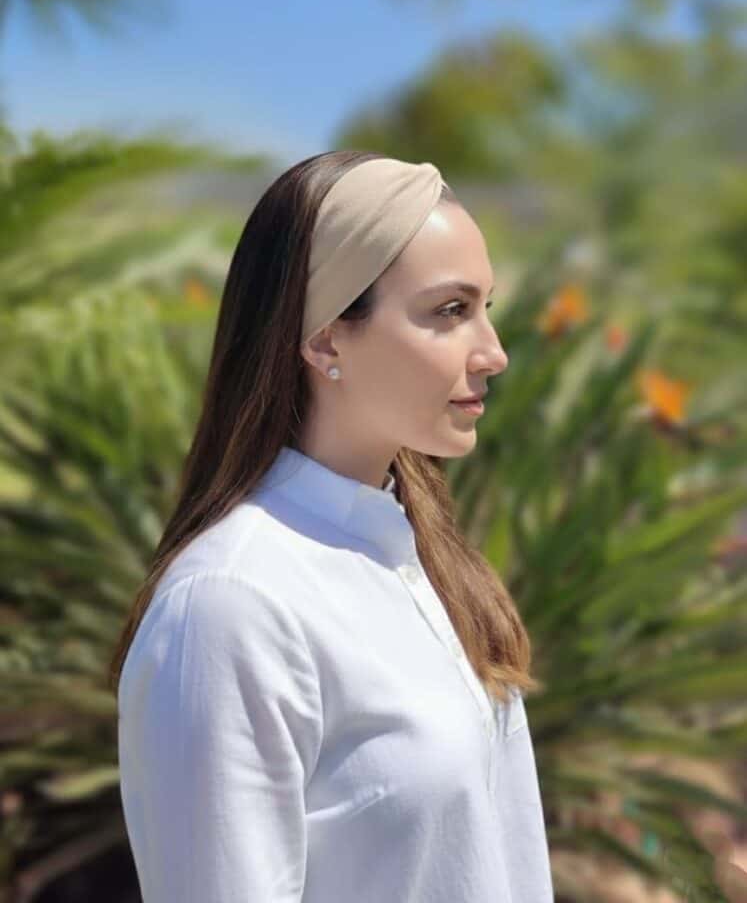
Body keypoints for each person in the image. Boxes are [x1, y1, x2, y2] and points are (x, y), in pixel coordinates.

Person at [110, 151, 555, 902]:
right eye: (450, 311)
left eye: (485, 307)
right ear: (324, 340)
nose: (493, 352)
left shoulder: (417, 557)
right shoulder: (230, 608)